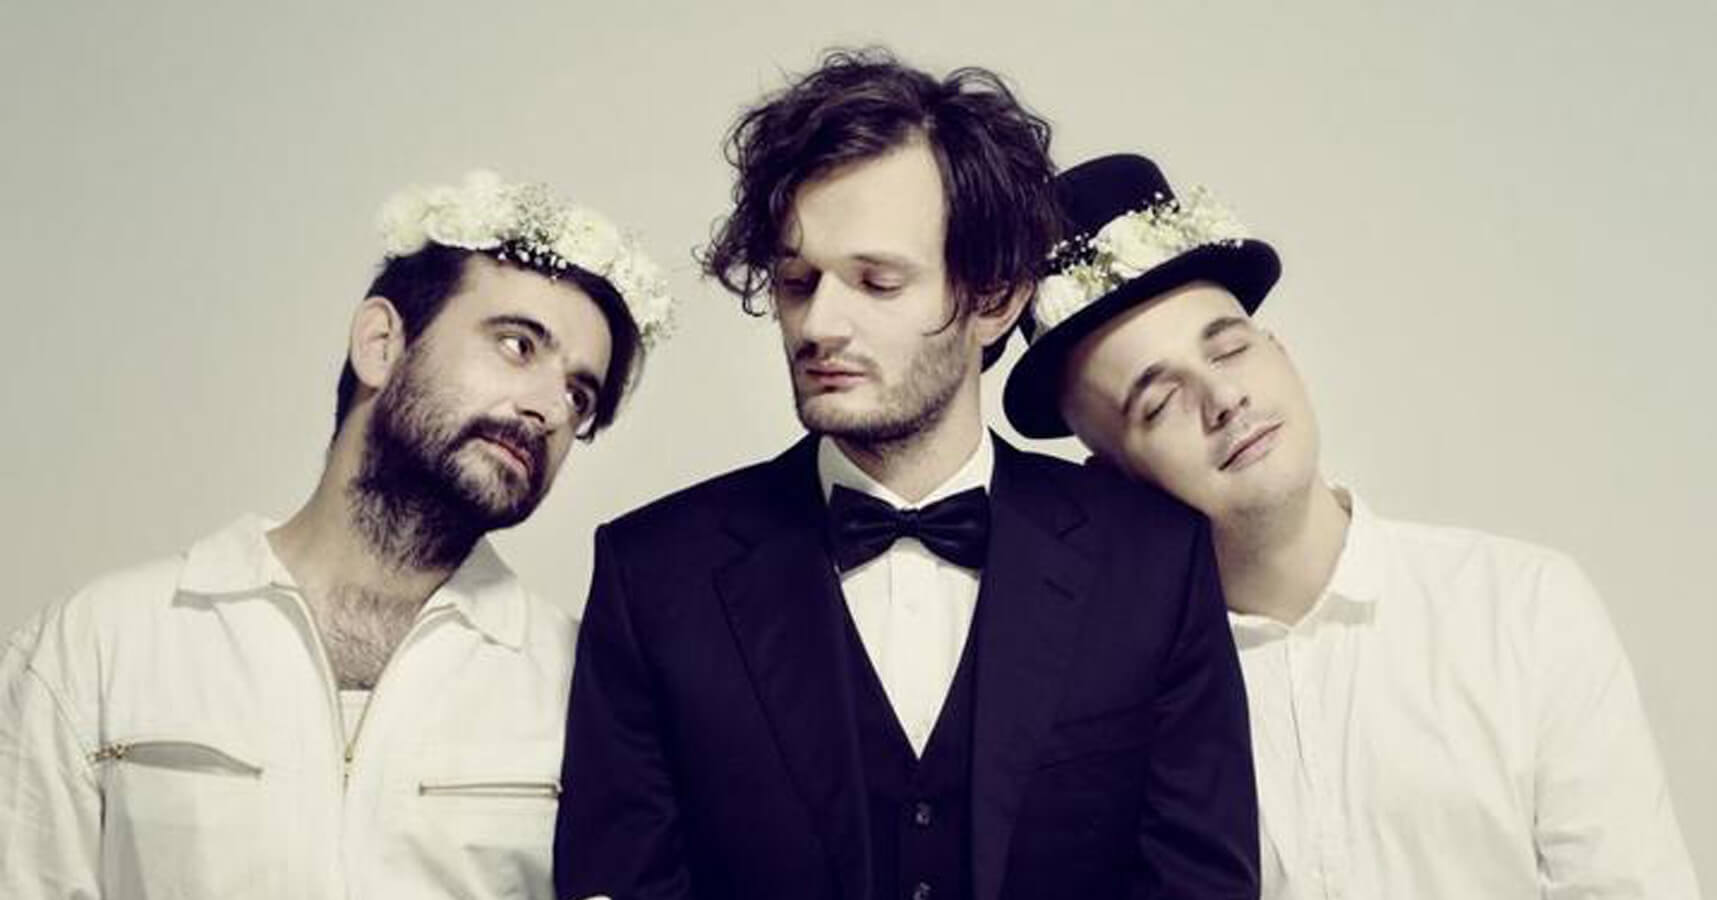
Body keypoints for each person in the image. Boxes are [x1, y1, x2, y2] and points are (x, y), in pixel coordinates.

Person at [555, 50, 1258, 900]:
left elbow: (1199, 883)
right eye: (797, 282)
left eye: (876, 282)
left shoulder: (1151, 560)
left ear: (992, 299)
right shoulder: (653, 574)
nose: (819, 324)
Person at [1003, 152, 1702, 899]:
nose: (1224, 399)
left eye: (1230, 348)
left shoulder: (1522, 607)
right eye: (1159, 401)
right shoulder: (1104, 706)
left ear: (1282, 355)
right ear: (1111, 477)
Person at [0, 170, 673, 899]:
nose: (550, 408)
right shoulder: (102, 642)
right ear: (381, 344)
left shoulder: (585, 685)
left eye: (579, 394)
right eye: (517, 345)